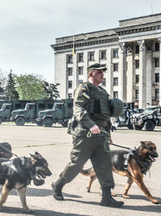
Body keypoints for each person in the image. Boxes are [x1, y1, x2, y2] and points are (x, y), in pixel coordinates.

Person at [52, 63, 124, 207]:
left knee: (104, 165)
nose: (102, 75)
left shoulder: (103, 92)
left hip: (101, 134)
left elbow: (105, 115)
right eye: (99, 72)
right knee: (76, 164)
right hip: (85, 133)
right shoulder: (84, 89)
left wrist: (108, 134)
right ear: (90, 74)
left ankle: (106, 198)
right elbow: (78, 108)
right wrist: (91, 125)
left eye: (103, 72)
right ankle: (58, 185)